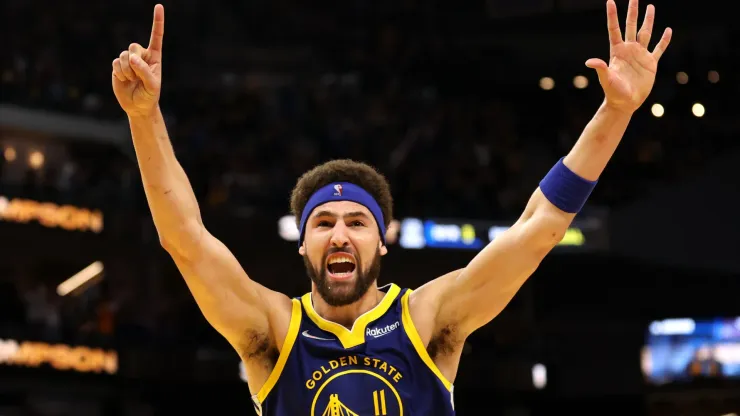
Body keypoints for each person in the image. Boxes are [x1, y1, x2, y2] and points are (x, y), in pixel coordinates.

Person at [111, 1, 671, 414]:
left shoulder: (428, 318)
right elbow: (184, 236)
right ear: (303, 243)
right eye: (323, 224)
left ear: (381, 241)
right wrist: (144, 118)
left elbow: (540, 227)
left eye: (357, 222)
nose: (339, 235)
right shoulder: (274, 332)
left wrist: (616, 112)